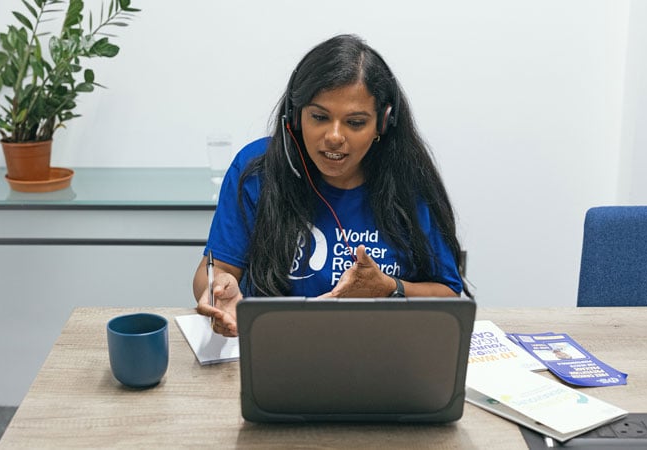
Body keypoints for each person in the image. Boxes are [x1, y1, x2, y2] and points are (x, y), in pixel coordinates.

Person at [193, 34, 471, 337]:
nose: (335, 136)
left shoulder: (408, 180)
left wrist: (390, 288)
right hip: (275, 346)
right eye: (320, 117)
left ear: (382, 124)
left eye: (355, 122)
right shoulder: (256, 170)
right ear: (295, 117)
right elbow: (214, 270)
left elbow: (448, 294)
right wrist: (218, 290)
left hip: (383, 348)